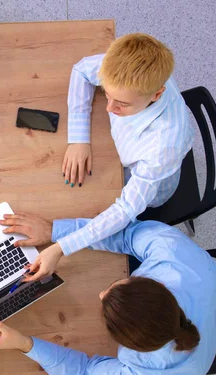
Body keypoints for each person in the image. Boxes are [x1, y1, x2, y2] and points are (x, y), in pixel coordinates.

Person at [0, 213, 216, 375]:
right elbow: (124, 232)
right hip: (208, 285)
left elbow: (85, 374)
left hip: (200, 344)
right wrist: (56, 234)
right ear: (154, 283)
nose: (101, 295)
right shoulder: (172, 252)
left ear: (129, 345)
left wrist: (24, 344)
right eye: (116, 288)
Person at [28, 33, 194, 282]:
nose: (109, 108)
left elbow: (126, 209)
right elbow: (82, 70)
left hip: (150, 185)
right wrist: (79, 137)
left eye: (122, 104)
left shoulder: (162, 145)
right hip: (124, 155)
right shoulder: (129, 67)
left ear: (156, 95)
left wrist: (61, 246)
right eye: (107, 94)